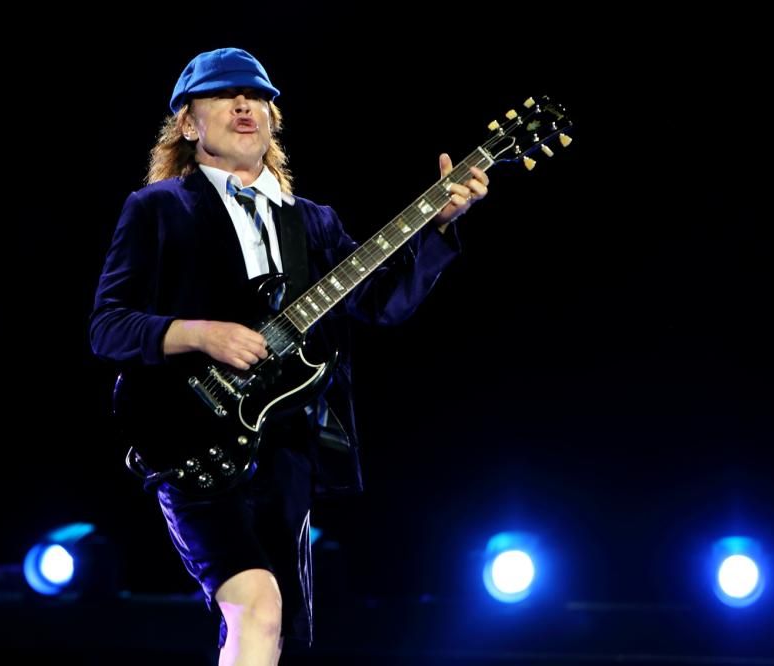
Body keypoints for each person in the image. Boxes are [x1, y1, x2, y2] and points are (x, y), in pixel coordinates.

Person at [89, 47, 488, 666]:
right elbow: (108, 327)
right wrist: (199, 333)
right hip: (189, 437)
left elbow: (381, 304)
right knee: (255, 603)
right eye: (223, 95)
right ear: (188, 123)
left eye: (256, 96)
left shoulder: (312, 223)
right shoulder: (159, 209)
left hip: (285, 450)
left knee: (268, 629)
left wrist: (439, 225)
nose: (243, 104)